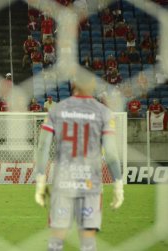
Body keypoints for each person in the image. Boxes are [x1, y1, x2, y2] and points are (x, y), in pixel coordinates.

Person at [34, 79, 124, 251]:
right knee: (88, 240)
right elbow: (111, 154)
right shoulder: (104, 112)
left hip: (63, 181)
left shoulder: (56, 110)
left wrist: (40, 181)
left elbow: (43, 146)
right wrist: (118, 185)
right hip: (90, 182)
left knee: (56, 238)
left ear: (72, 87)